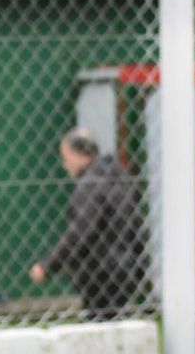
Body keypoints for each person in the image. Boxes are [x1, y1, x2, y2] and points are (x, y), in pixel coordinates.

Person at [29, 129, 145, 320]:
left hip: (101, 274)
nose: (64, 164)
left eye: (66, 157)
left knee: (100, 325)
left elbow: (80, 232)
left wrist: (47, 265)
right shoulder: (116, 176)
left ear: (80, 155)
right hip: (126, 267)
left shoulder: (89, 184)